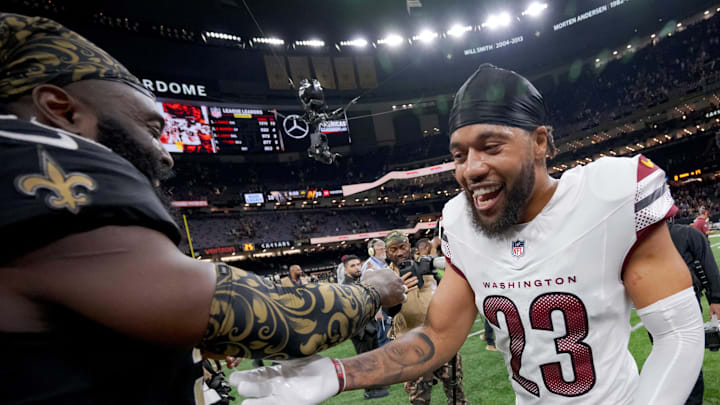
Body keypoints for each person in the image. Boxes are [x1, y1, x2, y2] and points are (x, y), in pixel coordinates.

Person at [230, 64, 705, 405]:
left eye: (490, 146)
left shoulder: (611, 195)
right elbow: (437, 336)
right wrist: (339, 372)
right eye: (459, 154)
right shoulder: (459, 221)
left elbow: (678, 333)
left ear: (540, 142)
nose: (472, 168)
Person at [0, 13, 407, 404]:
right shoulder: (31, 159)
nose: (166, 155)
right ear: (62, 109)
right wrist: (374, 289)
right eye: (151, 130)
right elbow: (279, 320)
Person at [383, 231, 467, 405]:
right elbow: (389, 312)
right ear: (387, 253)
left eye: (403, 247)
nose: (399, 253)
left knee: (455, 390)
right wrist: (398, 293)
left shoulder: (426, 265)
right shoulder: (386, 278)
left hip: (441, 339)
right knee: (420, 398)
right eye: (393, 249)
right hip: (412, 344)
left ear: (409, 247)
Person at [667, 222, 720, 404]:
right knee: (669, 360)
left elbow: (709, 267)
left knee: (689, 361)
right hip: (656, 308)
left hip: (684, 304)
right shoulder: (639, 238)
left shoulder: (688, 234)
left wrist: (715, 299)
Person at [341, 255, 390, 400]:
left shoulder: (360, 281)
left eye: (358, 264)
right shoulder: (345, 286)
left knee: (374, 358)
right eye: (352, 266)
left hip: (371, 326)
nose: (357, 268)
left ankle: (379, 385)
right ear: (345, 269)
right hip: (360, 331)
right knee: (364, 361)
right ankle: (370, 390)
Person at [362, 238, 394, 347]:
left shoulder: (383, 263)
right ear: (372, 251)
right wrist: (377, 311)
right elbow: (369, 290)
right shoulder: (369, 265)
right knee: (384, 337)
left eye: (384, 248)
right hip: (380, 308)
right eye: (380, 249)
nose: (383, 251)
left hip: (388, 305)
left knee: (390, 335)